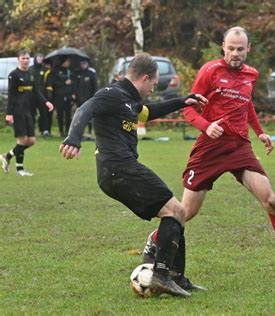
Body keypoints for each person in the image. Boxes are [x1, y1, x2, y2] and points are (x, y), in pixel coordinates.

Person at [170, 26, 275, 277]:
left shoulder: (251, 74)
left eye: (240, 49)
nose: (235, 54)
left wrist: (260, 131)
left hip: (239, 147)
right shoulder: (210, 71)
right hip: (210, 148)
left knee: (271, 201)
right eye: (231, 48)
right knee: (186, 212)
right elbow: (188, 110)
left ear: (248, 49)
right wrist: (207, 127)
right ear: (223, 47)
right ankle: (155, 242)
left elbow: (246, 104)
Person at [59, 53, 208, 297]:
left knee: (177, 213)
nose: (152, 89)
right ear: (146, 78)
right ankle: (162, 275)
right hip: (118, 169)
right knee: (176, 211)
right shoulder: (112, 94)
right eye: (153, 84)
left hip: (120, 170)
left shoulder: (129, 101)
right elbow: (85, 108)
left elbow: (148, 112)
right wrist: (73, 138)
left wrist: (183, 101)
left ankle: (176, 278)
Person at [0, 50, 54, 176]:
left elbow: (36, 91)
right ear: (18, 59)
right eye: (23, 58)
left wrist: (46, 102)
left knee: (32, 141)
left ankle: (7, 156)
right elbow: (11, 95)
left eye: (27, 58)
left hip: (28, 110)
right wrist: (9, 113)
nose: (26, 60)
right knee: (22, 141)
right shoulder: (13, 75)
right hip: (17, 111)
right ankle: (20, 169)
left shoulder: (30, 74)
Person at [51, 57, 75, 137]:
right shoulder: (56, 71)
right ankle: (61, 130)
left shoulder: (71, 71)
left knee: (68, 114)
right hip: (59, 96)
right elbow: (54, 83)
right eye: (66, 62)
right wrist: (64, 82)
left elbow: (75, 82)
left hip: (68, 96)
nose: (68, 63)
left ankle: (68, 130)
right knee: (60, 114)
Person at [74, 59, 98, 136]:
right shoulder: (78, 73)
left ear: (87, 64)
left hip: (89, 98)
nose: (83, 65)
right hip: (79, 98)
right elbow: (75, 86)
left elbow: (95, 86)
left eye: (84, 64)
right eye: (82, 64)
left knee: (90, 115)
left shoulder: (91, 73)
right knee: (80, 116)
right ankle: (81, 131)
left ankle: (90, 131)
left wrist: (94, 97)